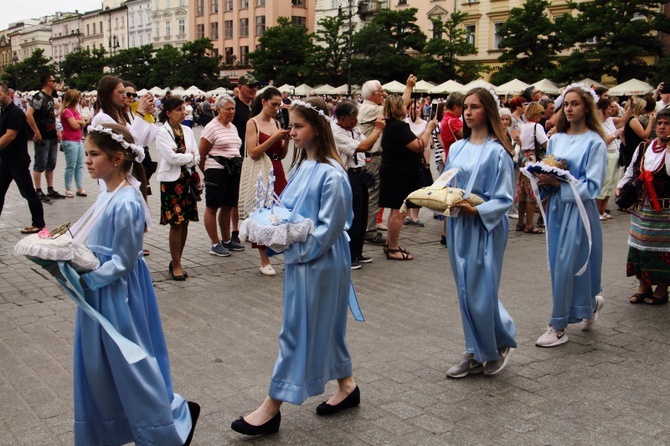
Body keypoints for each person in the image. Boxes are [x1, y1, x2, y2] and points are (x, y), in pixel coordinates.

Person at [231, 97, 359, 436]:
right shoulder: (304, 166)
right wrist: (264, 225)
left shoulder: (333, 175)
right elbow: (286, 211)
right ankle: (347, 384)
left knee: (296, 331)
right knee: (324, 327)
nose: (291, 131)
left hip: (322, 263)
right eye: (290, 123)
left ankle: (271, 406)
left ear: (317, 129)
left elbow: (330, 229)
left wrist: (292, 243)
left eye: (298, 125)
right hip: (303, 261)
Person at [73, 123, 199, 445]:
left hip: (117, 295)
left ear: (117, 159)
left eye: (94, 154)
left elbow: (124, 262)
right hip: (101, 290)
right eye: (86, 153)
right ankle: (113, 428)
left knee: (132, 365)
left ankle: (166, 423)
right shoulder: (109, 193)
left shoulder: (127, 201)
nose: (87, 160)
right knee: (102, 367)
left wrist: (88, 278)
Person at [442, 87, 517, 378]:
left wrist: (477, 209)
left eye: (474, 107)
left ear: (488, 110)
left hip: (486, 227)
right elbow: (447, 181)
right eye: (465, 108)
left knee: (482, 289)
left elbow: (504, 198)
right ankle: (477, 348)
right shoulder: (457, 147)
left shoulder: (498, 151)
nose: (468, 112)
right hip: (459, 224)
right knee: (465, 289)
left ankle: (491, 345)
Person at [533, 84, 608, 348]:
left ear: (587, 107)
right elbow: (550, 167)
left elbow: (593, 185)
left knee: (566, 265)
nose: (570, 108)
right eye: (566, 104)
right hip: (556, 209)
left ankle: (558, 325)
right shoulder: (556, 138)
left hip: (578, 211)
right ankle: (590, 303)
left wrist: (560, 186)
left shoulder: (595, 142)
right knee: (558, 265)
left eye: (575, 103)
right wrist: (541, 180)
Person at [617, 108, 670, 305]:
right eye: (660, 123)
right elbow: (631, 171)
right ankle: (644, 285)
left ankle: (662, 288)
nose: (662, 127)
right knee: (640, 247)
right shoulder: (644, 147)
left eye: (666, 123)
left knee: (663, 249)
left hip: (664, 211)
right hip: (642, 208)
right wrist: (620, 187)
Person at [379, 94, 437, 261]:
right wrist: (428, 129)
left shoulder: (391, 126)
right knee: (400, 211)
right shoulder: (398, 127)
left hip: (393, 171)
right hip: (400, 173)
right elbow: (419, 146)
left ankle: (390, 244)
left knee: (395, 210)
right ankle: (393, 247)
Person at [358, 76, 415, 245]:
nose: (383, 94)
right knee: (373, 195)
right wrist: (409, 87)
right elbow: (399, 107)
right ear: (373, 94)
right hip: (373, 158)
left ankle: (369, 227)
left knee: (373, 194)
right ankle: (369, 231)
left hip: (373, 158)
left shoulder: (370, 108)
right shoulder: (371, 109)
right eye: (381, 92)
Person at [332, 98, 385, 269]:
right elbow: (362, 146)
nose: (356, 121)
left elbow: (368, 145)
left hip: (359, 172)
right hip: (346, 174)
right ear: (342, 118)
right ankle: (348, 254)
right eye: (353, 118)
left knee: (362, 214)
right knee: (352, 216)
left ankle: (357, 251)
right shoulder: (335, 131)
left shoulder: (353, 129)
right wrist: (377, 129)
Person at [244, 86, 291, 275]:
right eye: (273, 104)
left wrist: (286, 140)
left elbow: (281, 153)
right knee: (263, 212)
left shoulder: (277, 124)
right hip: (262, 171)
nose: (276, 109)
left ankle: (284, 250)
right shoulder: (252, 123)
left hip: (277, 168)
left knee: (283, 209)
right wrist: (275, 138)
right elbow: (253, 152)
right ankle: (264, 259)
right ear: (263, 102)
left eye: (279, 105)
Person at [156, 97, 200, 281]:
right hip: (172, 182)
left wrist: (186, 156)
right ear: (168, 112)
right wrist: (187, 156)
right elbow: (171, 158)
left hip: (187, 179)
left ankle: (177, 259)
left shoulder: (188, 130)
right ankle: (176, 264)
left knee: (186, 221)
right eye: (179, 109)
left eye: (184, 109)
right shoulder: (162, 133)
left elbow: (196, 156)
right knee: (176, 222)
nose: (184, 112)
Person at [199, 95, 244, 256]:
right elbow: (202, 152)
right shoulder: (211, 127)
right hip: (216, 170)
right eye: (228, 109)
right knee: (212, 207)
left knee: (228, 205)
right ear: (218, 109)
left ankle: (226, 240)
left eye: (233, 108)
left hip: (232, 170)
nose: (231, 112)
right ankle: (215, 243)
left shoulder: (232, 127)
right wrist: (206, 172)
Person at [0, 81, 46, 234]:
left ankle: (39, 223)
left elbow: (10, 135)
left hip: (17, 160)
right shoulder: (4, 112)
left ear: (9, 94)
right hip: (6, 160)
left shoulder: (15, 113)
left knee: (28, 192)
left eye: (0, 94)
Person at [231, 73, 261, 246]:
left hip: (253, 156)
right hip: (238, 157)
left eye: (255, 86)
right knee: (236, 196)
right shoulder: (234, 106)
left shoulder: (255, 107)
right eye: (250, 86)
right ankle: (235, 230)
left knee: (253, 194)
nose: (253, 89)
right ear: (239, 87)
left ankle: (249, 227)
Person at [25, 73, 65, 202]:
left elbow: (51, 115)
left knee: (51, 163)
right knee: (40, 163)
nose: (55, 83)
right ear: (48, 82)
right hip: (42, 135)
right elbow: (29, 114)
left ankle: (50, 188)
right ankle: (38, 190)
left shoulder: (49, 97)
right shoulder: (39, 97)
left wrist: (57, 130)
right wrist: (36, 132)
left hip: (51, 134)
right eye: (54, 81)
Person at [516, 102, 548, 234]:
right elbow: (546, 144)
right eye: (540, 113)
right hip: (533, 161)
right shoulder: (536, 126)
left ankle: (520, 222)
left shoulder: (523, 126)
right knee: (532, 194)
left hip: (524, 160)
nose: (541, 116)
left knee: (523, 193)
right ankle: (529, 224)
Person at [596, 98, 625, 220]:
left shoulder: (610, 121)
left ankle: (603, 210)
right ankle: (597, 211)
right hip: (606, 154)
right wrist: (615, 135)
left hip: (615, 153)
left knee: (611, 184)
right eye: (609, 107)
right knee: (604, 183)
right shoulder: (597, 124)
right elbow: (603, 142)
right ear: (602, 110)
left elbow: (624, 120)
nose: (611, 110)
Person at [404, 99, 430, 227]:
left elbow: (427, 145)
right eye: (413, 108)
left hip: (419, 158)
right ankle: (407, 214)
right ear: (408, 109)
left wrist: (427, 161)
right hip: (407, 158)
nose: (416, 110)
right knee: (407, 186)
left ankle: (415, 216)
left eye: (418, 108)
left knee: (419, 186)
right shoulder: (405, 123)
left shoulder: (425, 124)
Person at [59, 89, 88, 198]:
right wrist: (80, 122)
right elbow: (74, 125)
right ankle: (68, 188)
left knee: (79, 165)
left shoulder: (75, 110)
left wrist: (79, 122)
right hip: (70, 140)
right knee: (71, 165)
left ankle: (79, 187)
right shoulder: (66, 111)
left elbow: (83, 123)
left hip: (78, 139)